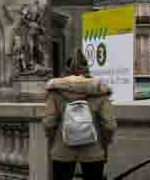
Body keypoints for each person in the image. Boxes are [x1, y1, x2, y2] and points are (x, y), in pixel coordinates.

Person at [42, 49, 117, 180]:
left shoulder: (55, 91)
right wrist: (104, 143)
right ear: (86, 69)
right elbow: (110, 125)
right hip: (93, 150)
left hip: (62, 149)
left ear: (67, 70)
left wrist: (54, 139)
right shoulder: (99, 90)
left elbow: (48, 123)